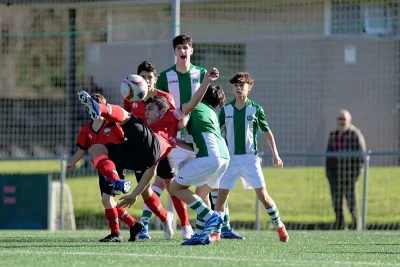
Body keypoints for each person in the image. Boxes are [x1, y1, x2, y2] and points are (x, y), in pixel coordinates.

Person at [151, 34, 239, 239]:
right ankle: (205, 232)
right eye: (179, 48)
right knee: (195, 189)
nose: (183, 51)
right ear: (175, 51)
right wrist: (171, 137)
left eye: (186, 47)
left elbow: (187, 110)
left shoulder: (201, 77)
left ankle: (211, 222)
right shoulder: (165, 77)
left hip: (195, 136)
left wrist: (171, 124)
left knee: (172, 186)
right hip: (193, 143)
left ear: (192, 51)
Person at [213, 72, 289, 243]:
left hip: (250, 159)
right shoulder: (226, 110)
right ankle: (216, 232)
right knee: (222, 196)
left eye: (242, 85)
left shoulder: (256, 108)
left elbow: (267, 132)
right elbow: (216, 132)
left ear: (249, 87)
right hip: (230, 159)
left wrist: (275, 154)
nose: (239, 88)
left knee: (263, 195)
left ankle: (279, 226)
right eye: (235, 85)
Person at [124, 61, 192, 240]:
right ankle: (165, 217)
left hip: (162, 148)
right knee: (146, 191)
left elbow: (175, 121)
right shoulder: (131, 98)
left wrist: (176, 134)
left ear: (156, 79)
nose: (146, 80)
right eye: (143, 77)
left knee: (173, 187)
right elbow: (125, 120)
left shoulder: (164, 98)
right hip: (142, 151)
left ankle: (185, 225)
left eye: (149, 77)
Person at [66, 93, 139, 242]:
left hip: (115, 168)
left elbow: (125, 142)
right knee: (109, 201)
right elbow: (82, 149)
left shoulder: (113, 125)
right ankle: (133, 224)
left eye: (97, 105)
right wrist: (72, 162)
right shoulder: (86, 129)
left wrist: (135, 162)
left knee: (107, 200)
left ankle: (116, 234)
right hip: (101, 169)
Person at [167, 84, 232, 246]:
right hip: (224, 157)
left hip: (209, 157)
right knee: (201, 193)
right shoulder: (211, 113)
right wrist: (175, 141)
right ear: (216, 105)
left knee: (175, 188)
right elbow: (194, 145)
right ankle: (200, 234)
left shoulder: (194, 107)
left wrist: (173, 118)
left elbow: (181, 124)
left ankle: (212, 217)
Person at [326, 109, 366, 230]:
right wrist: (329, 174)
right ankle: (340, 227)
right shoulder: (333, 135)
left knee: (352, 205)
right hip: (335, 176)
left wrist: (355, 175)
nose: (341, 121)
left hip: (349, 176)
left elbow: (361, 157)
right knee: (337, 205)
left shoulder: (355, 134)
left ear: (349, 120)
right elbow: (328, 156)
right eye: (339, 119)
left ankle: (356, 229)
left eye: (344, 119)